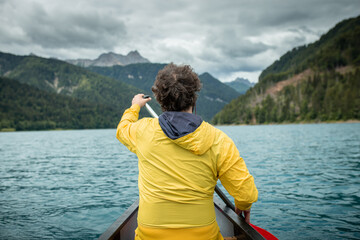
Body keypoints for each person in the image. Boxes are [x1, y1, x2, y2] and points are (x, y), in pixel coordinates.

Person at [116, 63, 258, 240]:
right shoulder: (218, 139)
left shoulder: (142, 131)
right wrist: (243, 205)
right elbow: (246, 193)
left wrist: (135, 106)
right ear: (194, 98)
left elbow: (122, 129)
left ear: (160, 100)